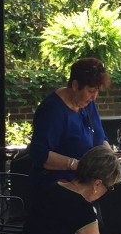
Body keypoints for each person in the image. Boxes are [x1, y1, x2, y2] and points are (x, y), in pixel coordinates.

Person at [27, 57, 113, 194]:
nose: (94, 97)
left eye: (97, 91)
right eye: (91, 91)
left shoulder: (86, 103)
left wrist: (111, 159)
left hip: (83, 183)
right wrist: (76, 165)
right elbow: (39, 154)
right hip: (56, 187)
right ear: (75, 85)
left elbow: (99, 137)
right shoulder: (53, 110)